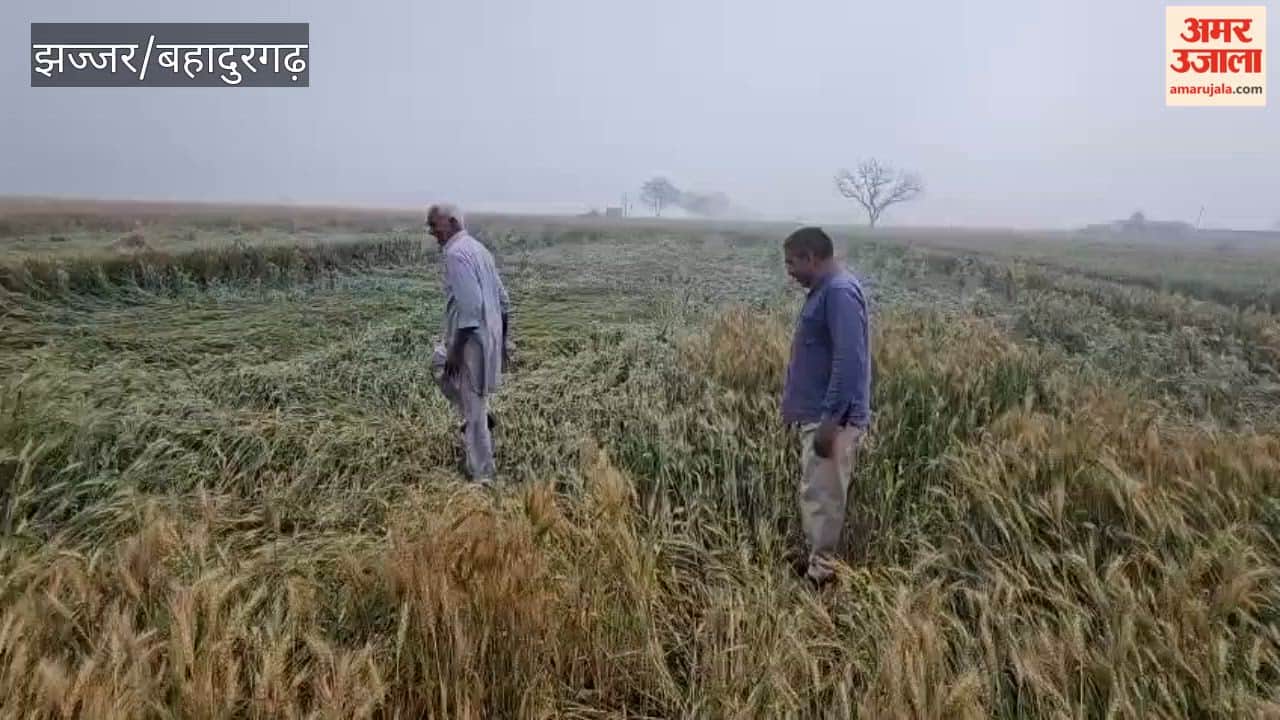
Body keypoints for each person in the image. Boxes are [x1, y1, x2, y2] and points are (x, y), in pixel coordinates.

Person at [780, 226, 872, 587]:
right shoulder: (828, 290)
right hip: (819, 415)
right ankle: (818, 565)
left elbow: (849, 362)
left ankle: (822, 578)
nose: (789, 271)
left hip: (830, 419)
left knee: (824, 498)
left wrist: (830, 422)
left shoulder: (839, 293)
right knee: (817, 493)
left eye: (791, 262)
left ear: (811, 257)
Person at [426, 203, 511, 484]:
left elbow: (471, 310)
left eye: (434, 225)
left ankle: (483, 476)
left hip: (471, 341)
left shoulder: (455, 254)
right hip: (488, 338)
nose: (431, 232)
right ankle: (476, 419)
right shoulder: (479, 249)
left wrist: (455, 350)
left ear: (451, 222)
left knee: (473, 408)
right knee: (439, 364)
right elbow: (503, 301)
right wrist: (503, 345)